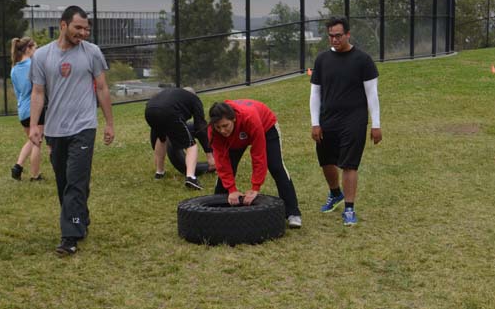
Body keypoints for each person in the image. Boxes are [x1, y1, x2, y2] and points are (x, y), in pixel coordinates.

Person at [29, 5, 115, 256]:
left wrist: (109, 123)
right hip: (56, 129)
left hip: (84, 126)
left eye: (86, 28)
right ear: (63, 25)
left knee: (76, 180)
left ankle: (70, 236)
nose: (83, 33)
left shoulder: (92, 53)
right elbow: (38, 92)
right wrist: (35, 125)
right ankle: (80, 218)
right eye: (78, 28)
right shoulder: (42, 56)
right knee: (64, 181)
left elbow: (102, 89)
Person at [310, 16, 381, 226]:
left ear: (348, 34)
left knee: (349, 165)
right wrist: (315, 122)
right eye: (331, 36)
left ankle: (349, 209)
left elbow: (372, 95)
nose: (334, 40)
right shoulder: (322, 60)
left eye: (338, 35)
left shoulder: (363, 60)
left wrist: (376, 125)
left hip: (354, 120)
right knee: (326, 161)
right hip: (327, 119)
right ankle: (335, 194)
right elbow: (315, 93)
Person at [208, 99, 302, 229]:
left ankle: (293, 213)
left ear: (233, 119)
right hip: (235, 137)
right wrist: (232, 189)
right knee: (228, 167)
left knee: (276, 166)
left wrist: (255, 187)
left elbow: (258, 155)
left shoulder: (250, 118)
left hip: (265, 127)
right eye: (218, 127)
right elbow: (221, 161)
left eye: (225, 125)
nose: (222, 130)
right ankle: (216, 210)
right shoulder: (213, 131)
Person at [145, 87, 215, 188]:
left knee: (161, 138)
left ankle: (159, 172)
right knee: (191, 145)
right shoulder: (194, 99)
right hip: (170, 112)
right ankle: (191, 178)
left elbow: (155, 135)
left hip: (149, 110)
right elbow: (200, 127)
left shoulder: (173, 94)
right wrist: (210, 156)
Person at [10, 37, 45, 181]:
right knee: (37, 141)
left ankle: (18, 166)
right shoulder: (33, 65)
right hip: (35, 108)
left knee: (31, 140)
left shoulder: (14, 69)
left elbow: (18, 93)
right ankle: (35, 175)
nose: (36, 51)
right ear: (28, 49)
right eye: (35, 48)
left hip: (22, 111)